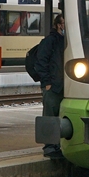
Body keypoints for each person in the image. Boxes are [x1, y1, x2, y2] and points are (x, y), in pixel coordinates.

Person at [37, 14, 66, 159]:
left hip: (63, 86)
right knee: (50, 115)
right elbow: (41, 62)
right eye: (64, 23)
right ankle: (49, 147)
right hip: (53, 86)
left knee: (58, 116)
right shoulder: (50, 41)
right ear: (59, 25)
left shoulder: (65, 41)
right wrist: (47, 82)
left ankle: (57, 145)